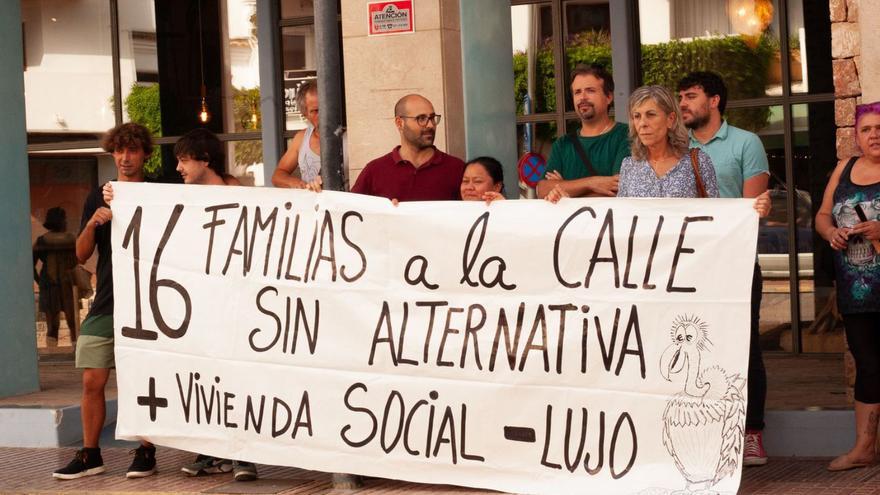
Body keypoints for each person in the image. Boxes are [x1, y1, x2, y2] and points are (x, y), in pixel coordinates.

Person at [106, 128, 257, 481]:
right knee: (205, 380)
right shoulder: (179, 196)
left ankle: (244, 455)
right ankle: (213, 451)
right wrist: (116, 194)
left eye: (184, 160)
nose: (178, 168)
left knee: (237, 377)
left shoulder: (238, 193)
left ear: (205, 160)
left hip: (232, 307)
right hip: (198, 310)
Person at [53, 123, 159, 480]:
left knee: (142, 380)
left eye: (132, 151)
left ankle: (146, 449)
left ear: (145, 154)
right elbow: (81, 256)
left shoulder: (159, 192)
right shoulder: (99, 196)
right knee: (92, 379)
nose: (125, 158)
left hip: (152, 302)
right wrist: (92, 224)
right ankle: (90, 454)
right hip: (108, 299)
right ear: (112, 153)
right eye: (119, 151)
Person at [678, 71, 772, 466]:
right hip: (685, 270)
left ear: (714, 100)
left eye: (691, 96)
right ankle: (701, 435)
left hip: (734, 266)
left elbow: (753, 210)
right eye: (680, 97)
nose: (682, 104)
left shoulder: (746, 143)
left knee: (744, 348)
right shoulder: (673, 147)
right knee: (688, 352)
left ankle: (752, 434)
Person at [816, 101, 880, 472]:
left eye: (879, 128)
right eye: (867, 129)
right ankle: (865, 448)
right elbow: (823, 214)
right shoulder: (845, 168)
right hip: (856, 291)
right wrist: (831, 232)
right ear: (857, 136)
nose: (874, 135)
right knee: (868, 365)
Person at [536, 64, 630, 200]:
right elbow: (542, 189)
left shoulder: (625, 135)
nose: (582, 97)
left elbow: (618, 191)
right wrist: (593, 183)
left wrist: (564, 187)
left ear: (609, 97)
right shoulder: (563, 144)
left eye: (590, 90)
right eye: (577, 92)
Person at [351, 94, 465, 201]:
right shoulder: (374, 171)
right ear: (399, 123)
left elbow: (474, 212)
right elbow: (352, 211)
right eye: (421, 118)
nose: (430, 125)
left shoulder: (457, 168)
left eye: (432, 118)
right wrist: (386, 211)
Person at [615, 85, 719, 199]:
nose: (642, 123)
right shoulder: (629, 165)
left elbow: (714, 212)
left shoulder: (699, 161)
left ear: (671, 119)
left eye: (651, 115)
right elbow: (623, 214)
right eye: (637, 116)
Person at [271, 80, 347, 191]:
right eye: (315, 111)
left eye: (325, 108)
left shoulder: (348, 137)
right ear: (305, 114)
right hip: (311, 206)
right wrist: (298, 184)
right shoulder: (301, 139)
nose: (322, 115)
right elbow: (277, 176)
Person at [33, 206, 77, 347]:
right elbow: (79, 259)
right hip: (67, 283)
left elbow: (31, 264)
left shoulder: (42, 240)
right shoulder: (71, 239)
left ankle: (52, 354)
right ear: (61, 221)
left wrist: (40, 281)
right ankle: (76, 354)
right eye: (64, 219)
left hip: (50, 283)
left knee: (53, 326)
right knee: (73, 324)